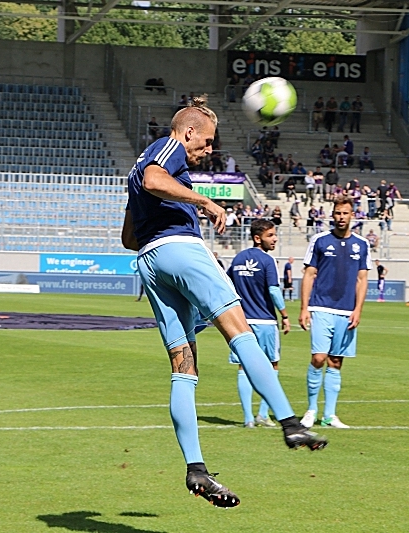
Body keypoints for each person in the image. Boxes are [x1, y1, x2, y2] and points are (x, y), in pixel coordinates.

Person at [121, 98, 327, 508]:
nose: (209, 149)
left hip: (148, 261)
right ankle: (290, 422)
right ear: (190, 131)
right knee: (240, 331)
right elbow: (154, 180)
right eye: (208, 141)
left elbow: (128, 236)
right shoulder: (167, 146)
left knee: (184, 367)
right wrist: (206, 202)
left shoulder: (140, 168)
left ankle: (196, 469)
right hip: (182, 251)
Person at [299, 195, 370, 430]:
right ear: (333, 215)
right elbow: (309, 275)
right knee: (318, 358)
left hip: (347, 310)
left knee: (336, 361)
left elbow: (362, 279)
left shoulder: (361, 244)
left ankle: (330, 415)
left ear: (353, 215)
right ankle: (311, 410)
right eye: (338, 213)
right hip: (321, 307)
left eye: (345, 213)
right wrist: (304, 308)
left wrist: (358, 309)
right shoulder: (319, 241)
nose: (341, 217)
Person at [227, 219, 291, 428]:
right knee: (272, 365)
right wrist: (284, 314)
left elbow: (227, 284)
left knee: (243, 367)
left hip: (241, 322)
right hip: (264, 321)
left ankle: (247, 418)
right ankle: (263, 414)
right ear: (257, 238)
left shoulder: (238, 259)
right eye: (270, 235)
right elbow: (273, 290)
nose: (275, 239)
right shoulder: (266, 261)